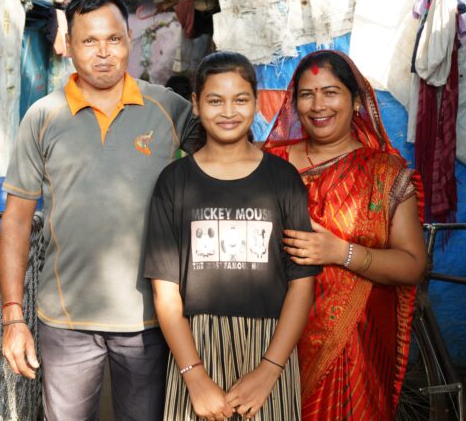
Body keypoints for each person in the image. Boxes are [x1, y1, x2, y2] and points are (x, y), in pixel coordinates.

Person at [0, 0, 198, 421]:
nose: (104, 53)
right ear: (68, 46)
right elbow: (15, 222)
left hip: (150, 319)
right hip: (65, 320)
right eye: (89, 41)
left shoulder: (169, 109)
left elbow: (230, 152)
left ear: (128, 40)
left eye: (114, 39)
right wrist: (13, 318)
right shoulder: (43, 116)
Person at [144, 51, 321, 421]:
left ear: (256, 103)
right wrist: (194, 377)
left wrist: (270, 370)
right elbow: (165, 292)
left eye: (240, 99)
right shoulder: (174, 182)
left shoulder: (282, 180)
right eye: (214, 100)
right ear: (195, 104)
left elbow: (302, 286)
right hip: (194, 349)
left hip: (271, 348)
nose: (228, 111)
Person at [263, 50, 427, 420]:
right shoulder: (268, 163)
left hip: (355, 347)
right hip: (271, 339)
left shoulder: (384, 173)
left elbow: (413, 265)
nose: (318, 105)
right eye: (306, 94)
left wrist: (341, 252)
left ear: (356, 101)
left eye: (330, 92)